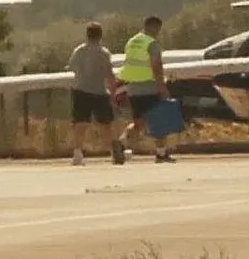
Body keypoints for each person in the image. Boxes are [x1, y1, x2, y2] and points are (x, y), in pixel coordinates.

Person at [115, 15, 175, 163]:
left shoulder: (132, 41)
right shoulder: (152, 43)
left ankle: (121, 143)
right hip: (149, 86)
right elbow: (156, 66)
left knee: (138, 122)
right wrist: (163, 88)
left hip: (134, 88)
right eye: (158, 29)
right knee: (159, 120)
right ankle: (161, 154)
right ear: (154, 27)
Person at [69, 22, 124, 166]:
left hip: (81, 91)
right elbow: (109, 75)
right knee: (106, 125)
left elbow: (73, 68)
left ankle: (77, 154)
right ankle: (114, 152)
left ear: (87, 35)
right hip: (99, 92)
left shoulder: (78, 51)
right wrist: (113, 95)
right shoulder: (104, 53)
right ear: (100, 35)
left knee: (80, 124)